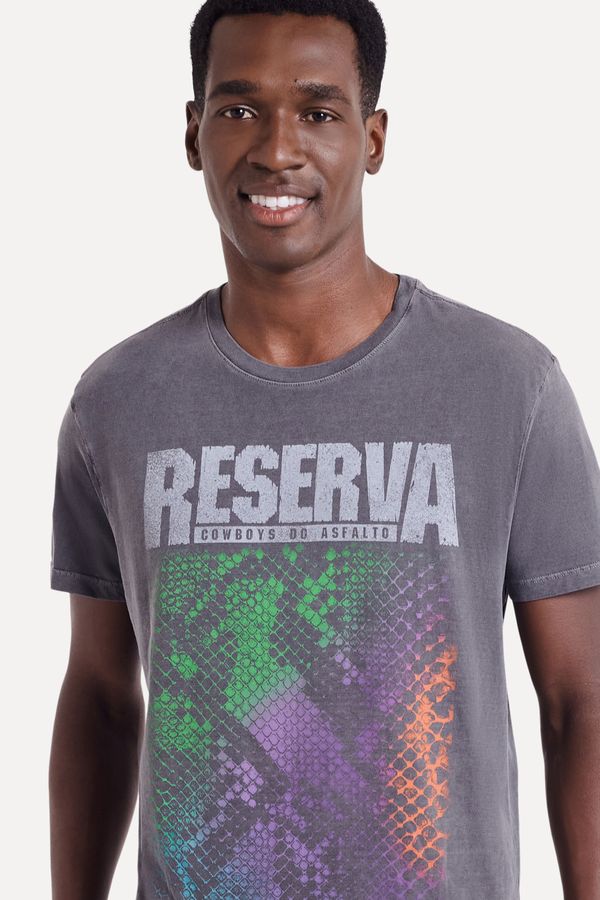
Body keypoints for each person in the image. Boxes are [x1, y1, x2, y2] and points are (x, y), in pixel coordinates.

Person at [48, 1, 600, 898]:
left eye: (317, 110)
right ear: (192, 134)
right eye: (238, 109)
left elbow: (582, 701)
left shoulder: (508, 386)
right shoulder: (117, 402)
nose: (277, 149)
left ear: (372, 140)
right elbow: (102, 698)